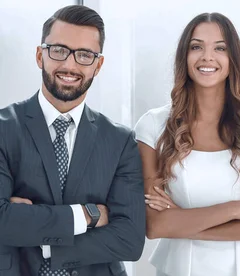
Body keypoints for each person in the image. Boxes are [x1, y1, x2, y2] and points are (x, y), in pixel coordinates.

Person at [135, 12, 240, 276]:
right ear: (184, 56)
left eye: (220, 48)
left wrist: (183, 221)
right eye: (197, 47)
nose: (207, 57)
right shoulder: (152, 126)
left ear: (233, 59)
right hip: (178, 268)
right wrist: (236, 209)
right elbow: (155, 225)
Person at [0, 5, 145, 276]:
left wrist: (40, 239)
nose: (70, 65)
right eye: (58, 50)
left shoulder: (120, 141)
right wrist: (88, 216)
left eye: (84, 55)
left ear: (98, 65)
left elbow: (130, 239)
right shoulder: (4, 129)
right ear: (39, 55)